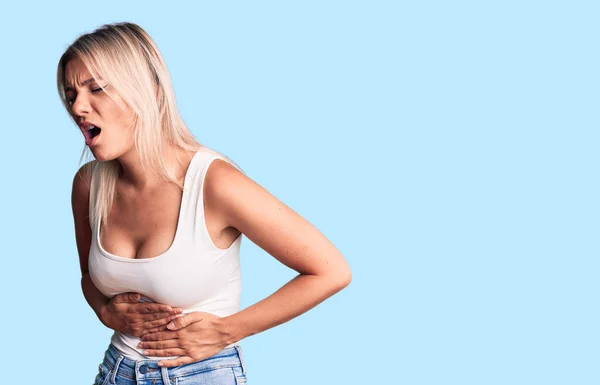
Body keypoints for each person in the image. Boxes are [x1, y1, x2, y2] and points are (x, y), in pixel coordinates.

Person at [60, 22, 352, 385]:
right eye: (71, 94)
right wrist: (106, 312)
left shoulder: (213, 183)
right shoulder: (88, 185)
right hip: (115, 372)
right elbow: (89, 278)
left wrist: (230, 330)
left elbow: (331, 270)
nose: (78, 107)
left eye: (96, 88)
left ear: (148, 91)